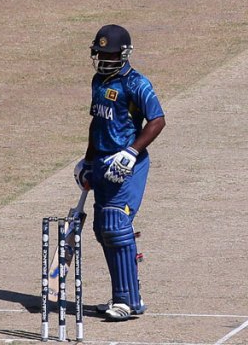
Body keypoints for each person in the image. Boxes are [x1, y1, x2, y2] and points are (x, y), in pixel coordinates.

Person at [75, 24, 166, 319]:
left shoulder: (136, 83)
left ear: (124, 54)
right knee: (103, 230)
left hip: (127, 163)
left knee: (116, 224)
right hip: (101, 161)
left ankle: (128, 301)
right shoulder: (98, 81)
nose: (104, 58)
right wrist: (87, 162)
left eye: (109, 53)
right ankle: (122, 298)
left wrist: (131, 152)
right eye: (100, 53)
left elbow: (157, 121)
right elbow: (97, 124)